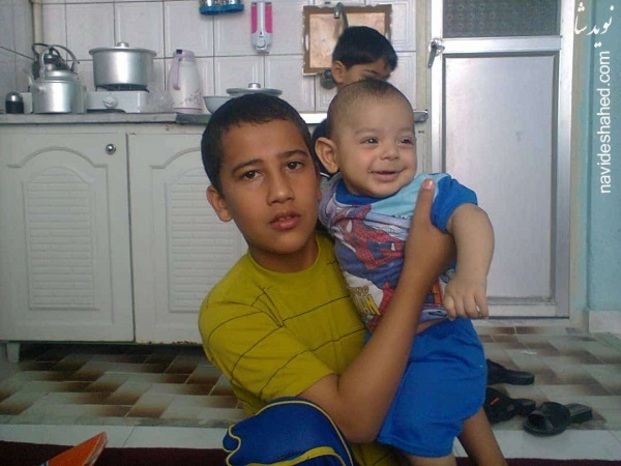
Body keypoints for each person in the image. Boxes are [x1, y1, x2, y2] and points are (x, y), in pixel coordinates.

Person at [198, 93, 493, 465]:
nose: (281, 192)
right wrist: (418, 274)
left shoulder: (355, 246)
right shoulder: (229, 312)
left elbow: (440, 365)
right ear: (221, 202)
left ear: (319, 174)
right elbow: (356, 423)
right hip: (330, 455)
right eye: (251, 175)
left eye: (293, 165)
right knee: (282, 436)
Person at [315, 78, 501, 466]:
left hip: (441, 339)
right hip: (386, 338)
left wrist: (470, 274)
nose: (391, 153)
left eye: (404, 141)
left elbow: (473, 218)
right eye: (371, 141)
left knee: (420, 432)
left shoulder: (424, 192)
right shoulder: (330, 199)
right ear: (331, 155)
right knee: (425, 412)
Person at [312, 26, 398, 177]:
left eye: (383, 81)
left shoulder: (388, 129)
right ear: (339, 72)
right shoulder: (326, 133)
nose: (376, 88)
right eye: (369, 78)